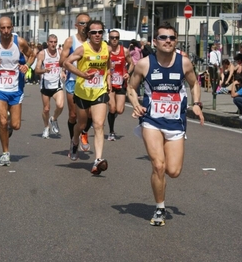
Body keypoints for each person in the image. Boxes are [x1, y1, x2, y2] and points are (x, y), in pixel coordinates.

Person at [126, 23, 204, 226]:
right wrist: (136, 105)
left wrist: (196, 104)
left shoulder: (184, 62)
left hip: (176, 122)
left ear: (175, 41)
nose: (167, 40)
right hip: (151, 120)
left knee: (174, 171)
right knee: (158, 165)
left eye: (171, 37)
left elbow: (194, 83)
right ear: (155, 41)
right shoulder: (144, 64)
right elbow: (131, 88)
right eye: (163, 37)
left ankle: (161, 187)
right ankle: (160, 208)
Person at [0, 16, 35, 166]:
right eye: (2, 28)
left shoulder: (20, 42)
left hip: (16, 88)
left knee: (15, 125)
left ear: (12, 27)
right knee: (2, 121)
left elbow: (32, 54)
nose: (6, 31)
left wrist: (27, 66)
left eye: (8, 27)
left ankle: (8, 128)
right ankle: (5, 153)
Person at [63, 19, 111, 175]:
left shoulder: (106, 48)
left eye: (100, 32)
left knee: (98, 124)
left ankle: (97, 160)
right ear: (88, 34)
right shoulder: (83, 49)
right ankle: (75, 141)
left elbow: (108, 65)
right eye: (93, 32)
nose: (97, 35)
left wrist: (108, 80)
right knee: (82, 124)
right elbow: (66, 63)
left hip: (100, 91)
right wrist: (82, 74)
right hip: (83, 92)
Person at [59, 13, 93, 152]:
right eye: (82, 23)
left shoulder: (94, 41)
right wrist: (75, 60)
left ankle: (84, 133)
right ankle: (73, 142)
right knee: (73, 115)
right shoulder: (70, 41)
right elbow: (62, 61)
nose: (85, 27)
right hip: (73, 81)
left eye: (87, 24)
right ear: (76, 25)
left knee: (90, 114)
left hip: (90, 82)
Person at [34, 34, 64, 139]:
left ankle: (54, 119)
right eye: (51, 42)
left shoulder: (60, 53)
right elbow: (36, 70)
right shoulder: (42, 54)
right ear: (48, 42)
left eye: (55, 42)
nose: (53, 44)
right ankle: (46, 127)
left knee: (60, 105)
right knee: (46, 109)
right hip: (46, 85)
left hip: (57, 84)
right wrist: (43, 70)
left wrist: (63, 72)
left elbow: (64, 64)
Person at [107, 29, 135, 141]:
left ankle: (113, 115)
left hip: (121, 83)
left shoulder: (125, 51)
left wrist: (128, 73)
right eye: (112, 38)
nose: (114, 40)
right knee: (112, 108)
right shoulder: (105, 51)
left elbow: (131, 63)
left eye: (116, 38)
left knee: (120, 110)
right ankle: (111, 132)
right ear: (109, 39)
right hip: (109, 82)